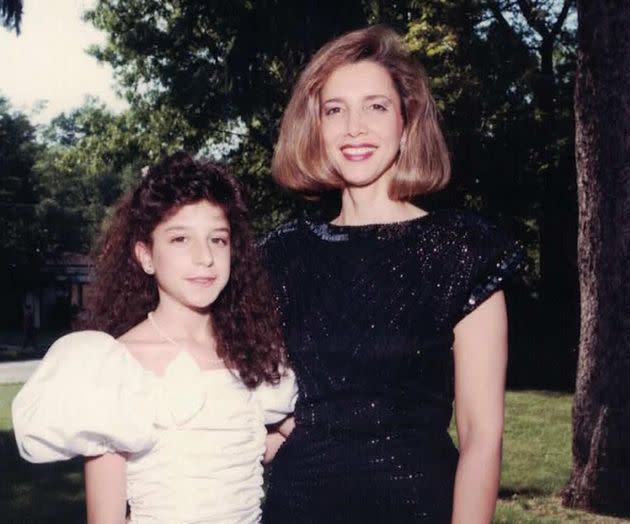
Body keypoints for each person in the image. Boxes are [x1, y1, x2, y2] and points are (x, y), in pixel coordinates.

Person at [260, 25, 522, 524]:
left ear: (407, 123)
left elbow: (482, 435)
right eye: (335, 110)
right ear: (314, 127)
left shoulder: (462, 251)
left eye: (376, 106)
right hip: (298, 506)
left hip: (419, 506)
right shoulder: (280, 256)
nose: (354, 127)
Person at [12, 152, 297, 524]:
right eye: (180, 239)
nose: (204, 257)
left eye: (218, 240)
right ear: (146, 256)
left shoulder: (252, 354)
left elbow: (244, 452)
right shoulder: (115, 369)